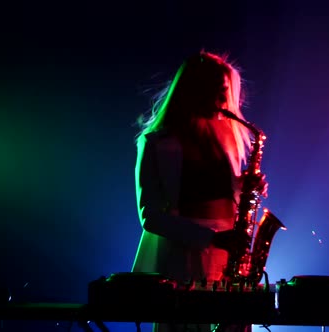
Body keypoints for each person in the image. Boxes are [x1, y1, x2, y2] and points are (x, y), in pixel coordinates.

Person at [131, 50, 266, 332]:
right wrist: (213, 239)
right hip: (184, 258)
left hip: (229, 255)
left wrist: (245, 186)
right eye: (217, 92)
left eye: (225, 92)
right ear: (194, 91)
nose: (223, 102)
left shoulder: (228, 135)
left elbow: (215, 190)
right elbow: (151, 217)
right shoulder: (155, 142)